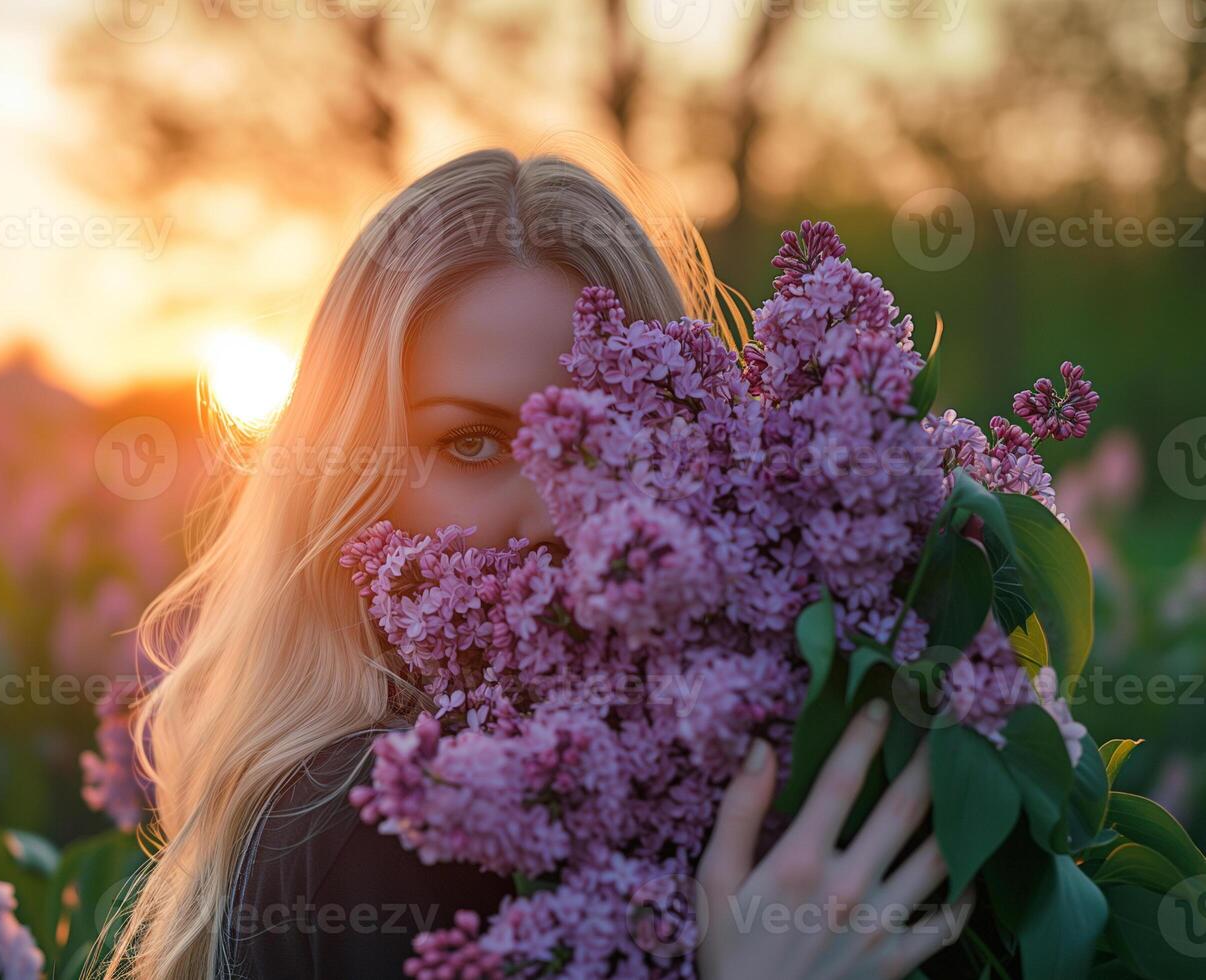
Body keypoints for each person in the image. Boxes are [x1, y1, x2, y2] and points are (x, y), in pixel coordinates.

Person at [105, 141, 972, 979]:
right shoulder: (398, 820)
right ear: (347, 482)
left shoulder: (685, 773)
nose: (559, 512)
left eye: (608, 439)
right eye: (473, 441)